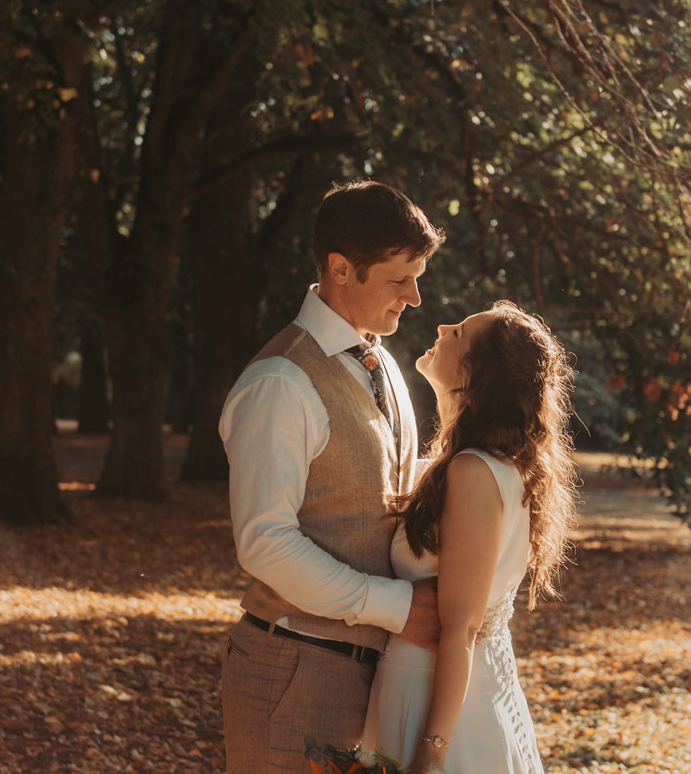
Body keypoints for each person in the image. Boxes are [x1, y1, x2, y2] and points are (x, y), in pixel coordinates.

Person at [219, 180, 446, 773]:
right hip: (293, 673)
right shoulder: (279, 382)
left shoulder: (384, 363)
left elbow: (378, 492)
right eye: (401, 278)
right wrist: (396, 606)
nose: (415, 297)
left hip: (374, 677)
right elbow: (264, 542)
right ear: (341, 269)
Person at [362, 300, 579, 774]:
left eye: (458, 333)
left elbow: (459, 629)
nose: (442, 325)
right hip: (450, 686)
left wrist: (432, 750)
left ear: (475, 375)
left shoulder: (474, 472)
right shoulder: (480, 465)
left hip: (436, 702)